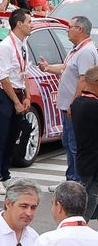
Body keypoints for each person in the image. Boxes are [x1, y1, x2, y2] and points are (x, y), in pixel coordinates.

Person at [37, 15, 96, 183]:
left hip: (74, 107)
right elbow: (66, 68)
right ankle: (71, 179)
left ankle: (76, 181)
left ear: (80, 29)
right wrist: (48, 68)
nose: (67, 30)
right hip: (68, 107)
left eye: (70, 27)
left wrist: (75, 104)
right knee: (68, 143)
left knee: (74, 144)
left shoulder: (86, 52)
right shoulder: (76, 49)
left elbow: (84, 79)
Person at [0, 9, 35, 191]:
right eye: (29, 22)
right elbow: (3, 78)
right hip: (4, 94)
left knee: (13, 135)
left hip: (18, 92)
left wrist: (27, 96)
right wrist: (15, 101)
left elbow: (24, 73)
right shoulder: (6, 46)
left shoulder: (23, 44)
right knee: (1, 135)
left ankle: (5, 173)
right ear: (19, 24)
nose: (32, 25)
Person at [76, 67, 98, 215]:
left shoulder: (78, 102)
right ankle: (78, 228)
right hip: (92, 160)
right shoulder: (94, 105)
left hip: (84, 157)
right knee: (88, 199)